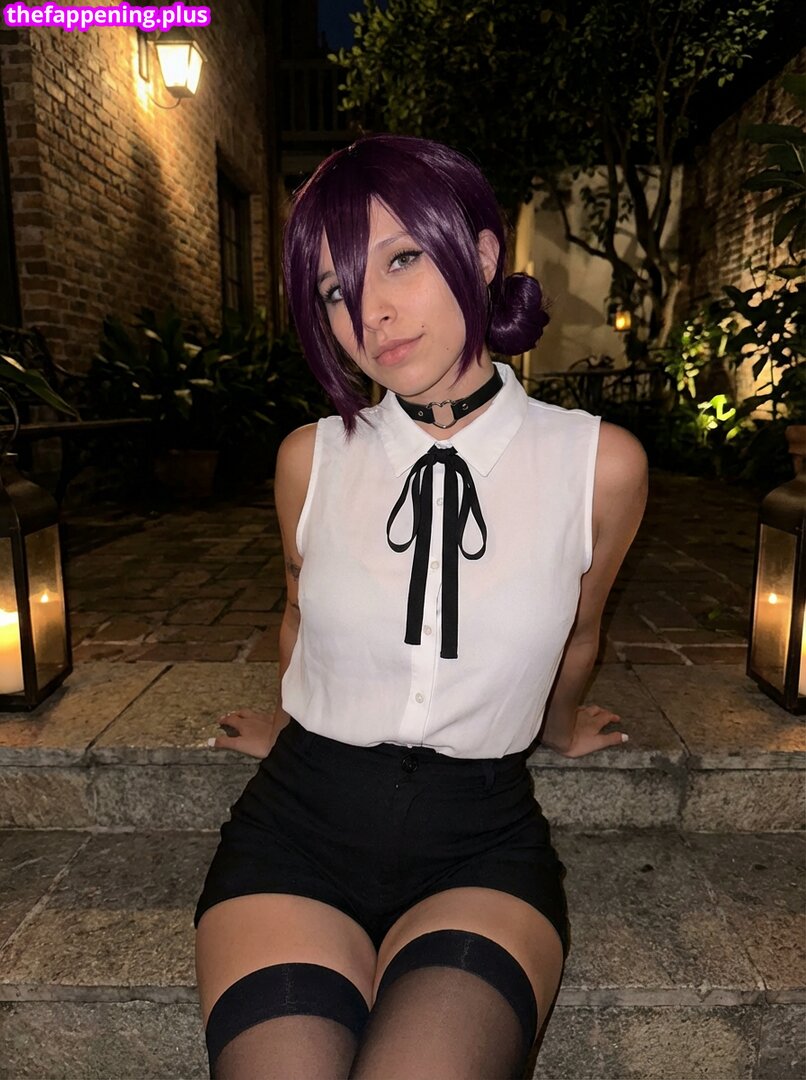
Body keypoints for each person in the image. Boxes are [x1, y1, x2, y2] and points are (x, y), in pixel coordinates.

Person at [194, 133, 648, 1080]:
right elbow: (298, 611)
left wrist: (560, 725)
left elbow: (580, 630)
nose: (371, 312)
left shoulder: (597, 464)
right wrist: (293, 719)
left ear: (478, 254)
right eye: (335, 289)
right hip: (296, 832)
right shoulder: (310, 458)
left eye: (400, 259)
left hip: (478, 848)